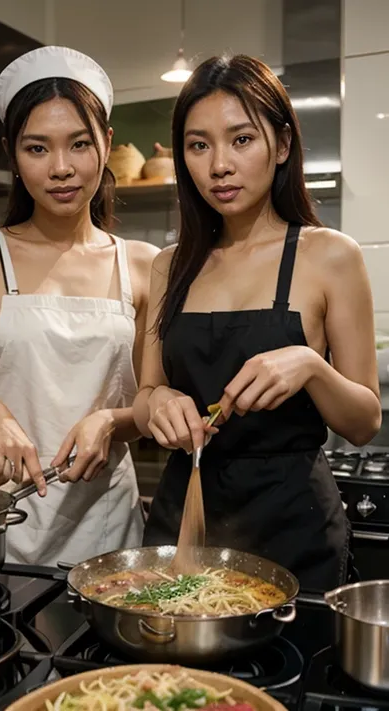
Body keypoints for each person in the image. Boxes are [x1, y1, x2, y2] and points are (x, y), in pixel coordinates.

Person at [133, 54, 381, 593]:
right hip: (186, 517)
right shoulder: (168, 265)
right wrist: (158, 403)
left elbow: (364, 422)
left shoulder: (329, 256)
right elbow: (144, 396)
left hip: (293, 525)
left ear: (282, 144)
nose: (219, 165)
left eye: (241, 139)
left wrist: (311, 366)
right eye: (199, 145)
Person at [0, 46, 159, 566]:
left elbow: (151, 404)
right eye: (37, 148)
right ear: (12, 154)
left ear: (106, 143)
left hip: (104, 523)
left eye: (79, 144)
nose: (61, 168)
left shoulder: (143, 265)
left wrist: (111, 420)